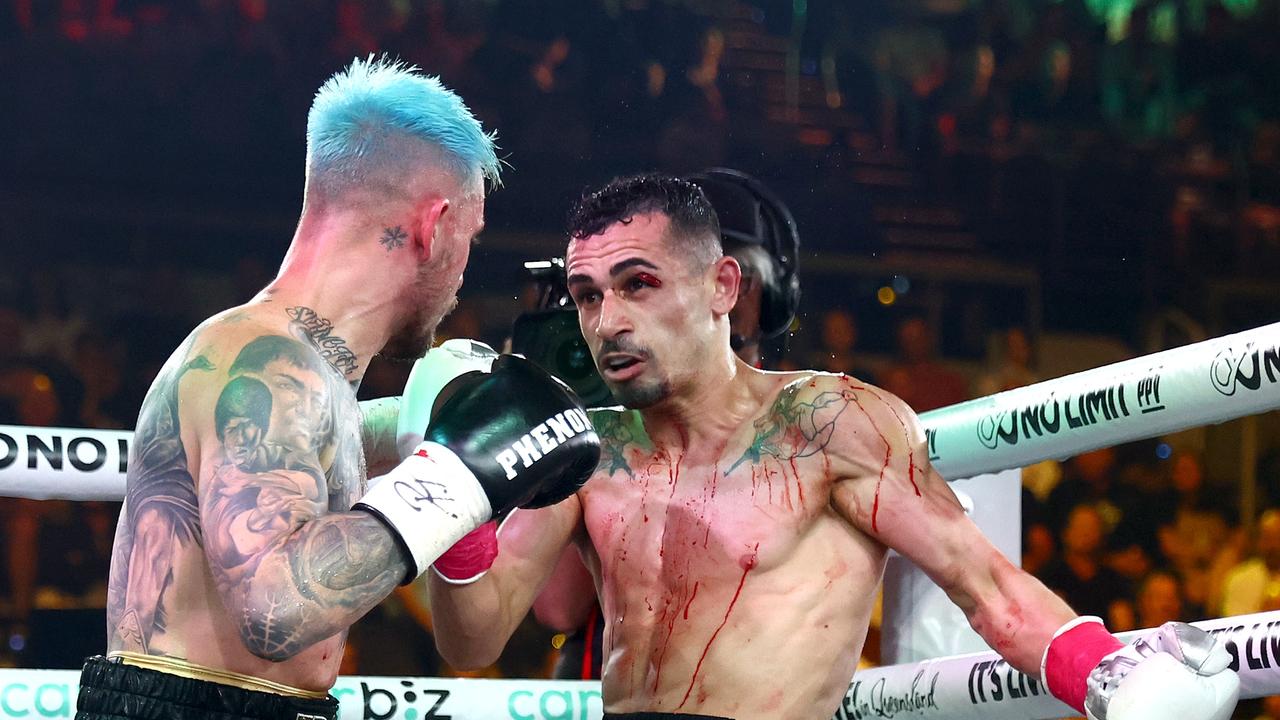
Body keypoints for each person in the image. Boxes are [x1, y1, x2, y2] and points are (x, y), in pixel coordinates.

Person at [426, 174, 1239, 719]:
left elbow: (985, 585)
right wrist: (460, 513)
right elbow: (475, 643)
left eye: (638, 284)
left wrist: (1106, 674)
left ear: (722, 288)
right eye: (586, 296)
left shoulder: (826, 422)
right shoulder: (589, 449)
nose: (607, 322)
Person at [76, 57, 599, 720]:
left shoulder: (299, 378)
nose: (463, 277)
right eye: (469, 239)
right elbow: (274, 611)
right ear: (433, 227)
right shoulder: (261, 363)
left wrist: (434, 413)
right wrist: (461, 474)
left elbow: (334, 440)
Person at [531, 168, 803, 680]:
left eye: (640, 284)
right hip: (604, 688)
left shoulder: (812, 430)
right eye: (596, 295)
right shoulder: (606, 427)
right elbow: (557, 609)